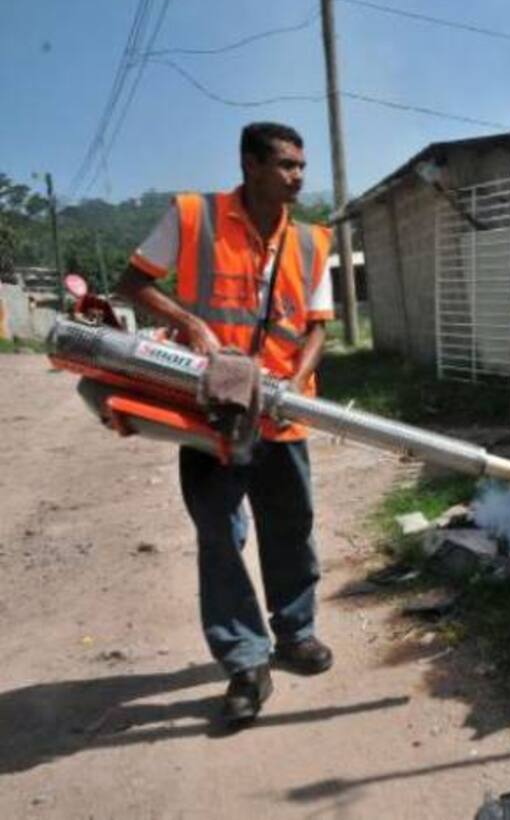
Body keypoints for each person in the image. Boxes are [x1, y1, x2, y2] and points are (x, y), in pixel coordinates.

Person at [116, 122, 336, 725]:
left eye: (301, 165)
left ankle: (295, 633)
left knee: (291, 527)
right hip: (211, 411)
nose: (298, 176)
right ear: (251, 165)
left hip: (282, 413)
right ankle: (245, 662)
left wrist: (293, 385)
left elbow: (318, 326)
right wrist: (189, 324)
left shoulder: (313, 241)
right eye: (286, 164)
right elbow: (132, 283)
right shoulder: (195, 217)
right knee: (218, 533)